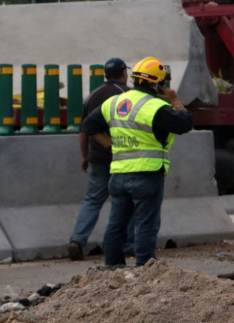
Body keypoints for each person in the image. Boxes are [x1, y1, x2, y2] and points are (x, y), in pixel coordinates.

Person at [80, 57, 194, 267]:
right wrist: (175, 101)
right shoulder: (155, 107)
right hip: (147, 174)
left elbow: (88, 125)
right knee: (145, 224)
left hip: (119, 174)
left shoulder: (114, 102)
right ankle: (144, 268)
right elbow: (186, 123)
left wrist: (110, 146)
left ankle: (113, 267)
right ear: (157, 84)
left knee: (116, 224)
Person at [67, 58, 133, 261]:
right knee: (126, 200)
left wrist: (84, 156)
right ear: (124, 73)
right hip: (123, 158)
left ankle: (77, 240)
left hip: (97, 158)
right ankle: (127, 244)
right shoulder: (128, 95)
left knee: (93, 200)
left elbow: (84, 130)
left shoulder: (92, 96)